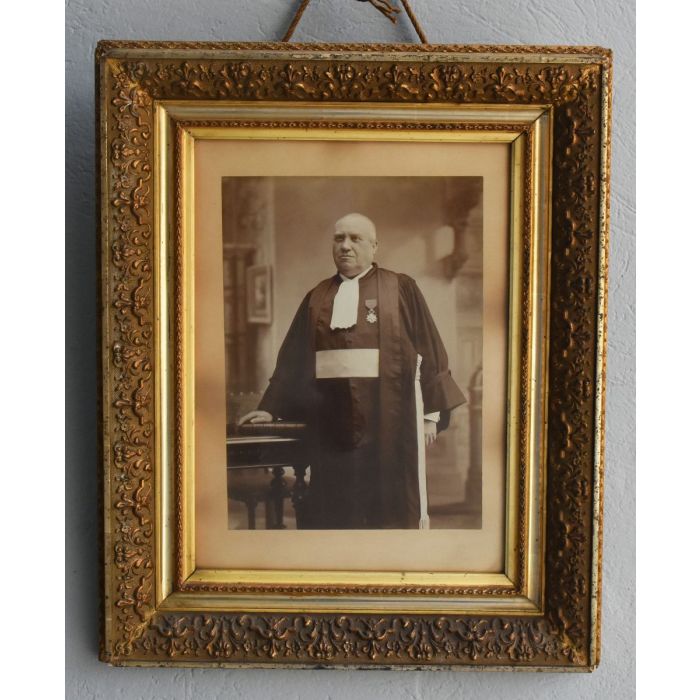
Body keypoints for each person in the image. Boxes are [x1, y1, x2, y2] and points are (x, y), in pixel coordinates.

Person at [239, 213, 466, 529]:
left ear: (374, 246)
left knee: (388, 511)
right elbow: (292, 362)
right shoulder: (317, 297)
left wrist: (430, 415)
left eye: (355, 238)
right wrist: (270, 408)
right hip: (331, 429)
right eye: (339, 238)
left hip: (389, 423)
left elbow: (429, 349)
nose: (345, 246)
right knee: (336, 513)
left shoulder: (401, 288)